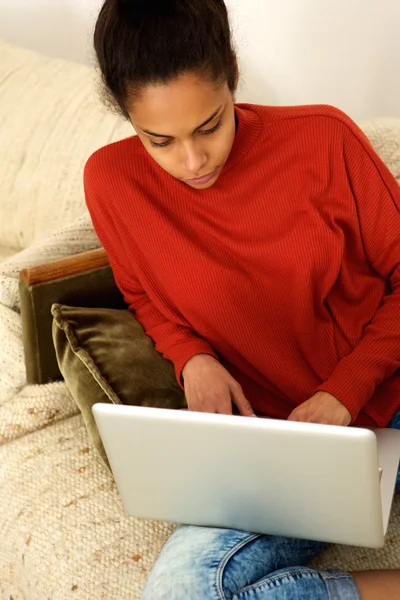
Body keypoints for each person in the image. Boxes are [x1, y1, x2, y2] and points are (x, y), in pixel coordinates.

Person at [84, 0, 400, 598]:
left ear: (232, 73)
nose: (193, 160)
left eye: (210, 125)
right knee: (178, 590)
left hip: (387, 390)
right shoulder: (111, 183)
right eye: (160, 141)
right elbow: (141, 294)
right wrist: (191, 358)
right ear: (124, 113)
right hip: (282, 443)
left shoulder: (324, 140)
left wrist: (344, 390)